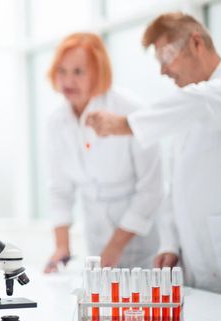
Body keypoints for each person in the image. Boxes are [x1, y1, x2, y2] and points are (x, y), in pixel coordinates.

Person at [86, 13, 221, 294]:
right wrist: (170, 244)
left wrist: (123, 123)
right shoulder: (185, 111)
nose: (163, 71)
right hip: (193, 262)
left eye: (167, 56)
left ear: (197, 43)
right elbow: (176, 186)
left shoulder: (211, 95)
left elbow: (200, 100)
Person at [43, 33, 162, 272]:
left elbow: (151, 188)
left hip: (142, 244)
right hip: (96, 240)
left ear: (98, 72)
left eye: (78, 72)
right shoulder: (56, 121)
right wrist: (61, 247)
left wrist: (116, 246)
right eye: (62, 71)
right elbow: (60, 189)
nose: (68, 80)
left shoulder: (129, 109)